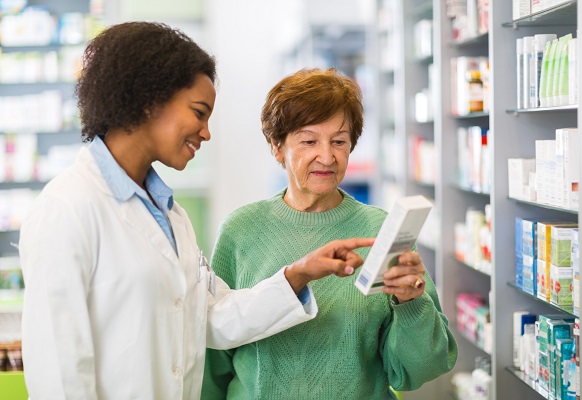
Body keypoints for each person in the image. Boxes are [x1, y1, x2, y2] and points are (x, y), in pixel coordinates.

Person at [18, 23, 375, 399]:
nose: (206, 133)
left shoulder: (169, 214)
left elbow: (211, 318)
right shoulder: (68, 208)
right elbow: (59, 377)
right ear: (148, 100)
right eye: (199, 113)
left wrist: (298, 275)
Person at [202, 68, 458, 399]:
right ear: (277, 147)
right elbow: (212, 361)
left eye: (339, 141)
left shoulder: (379, 230)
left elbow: (418, 370)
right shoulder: (240, 230)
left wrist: (410, 302)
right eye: (309, 141)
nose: (327, 156)